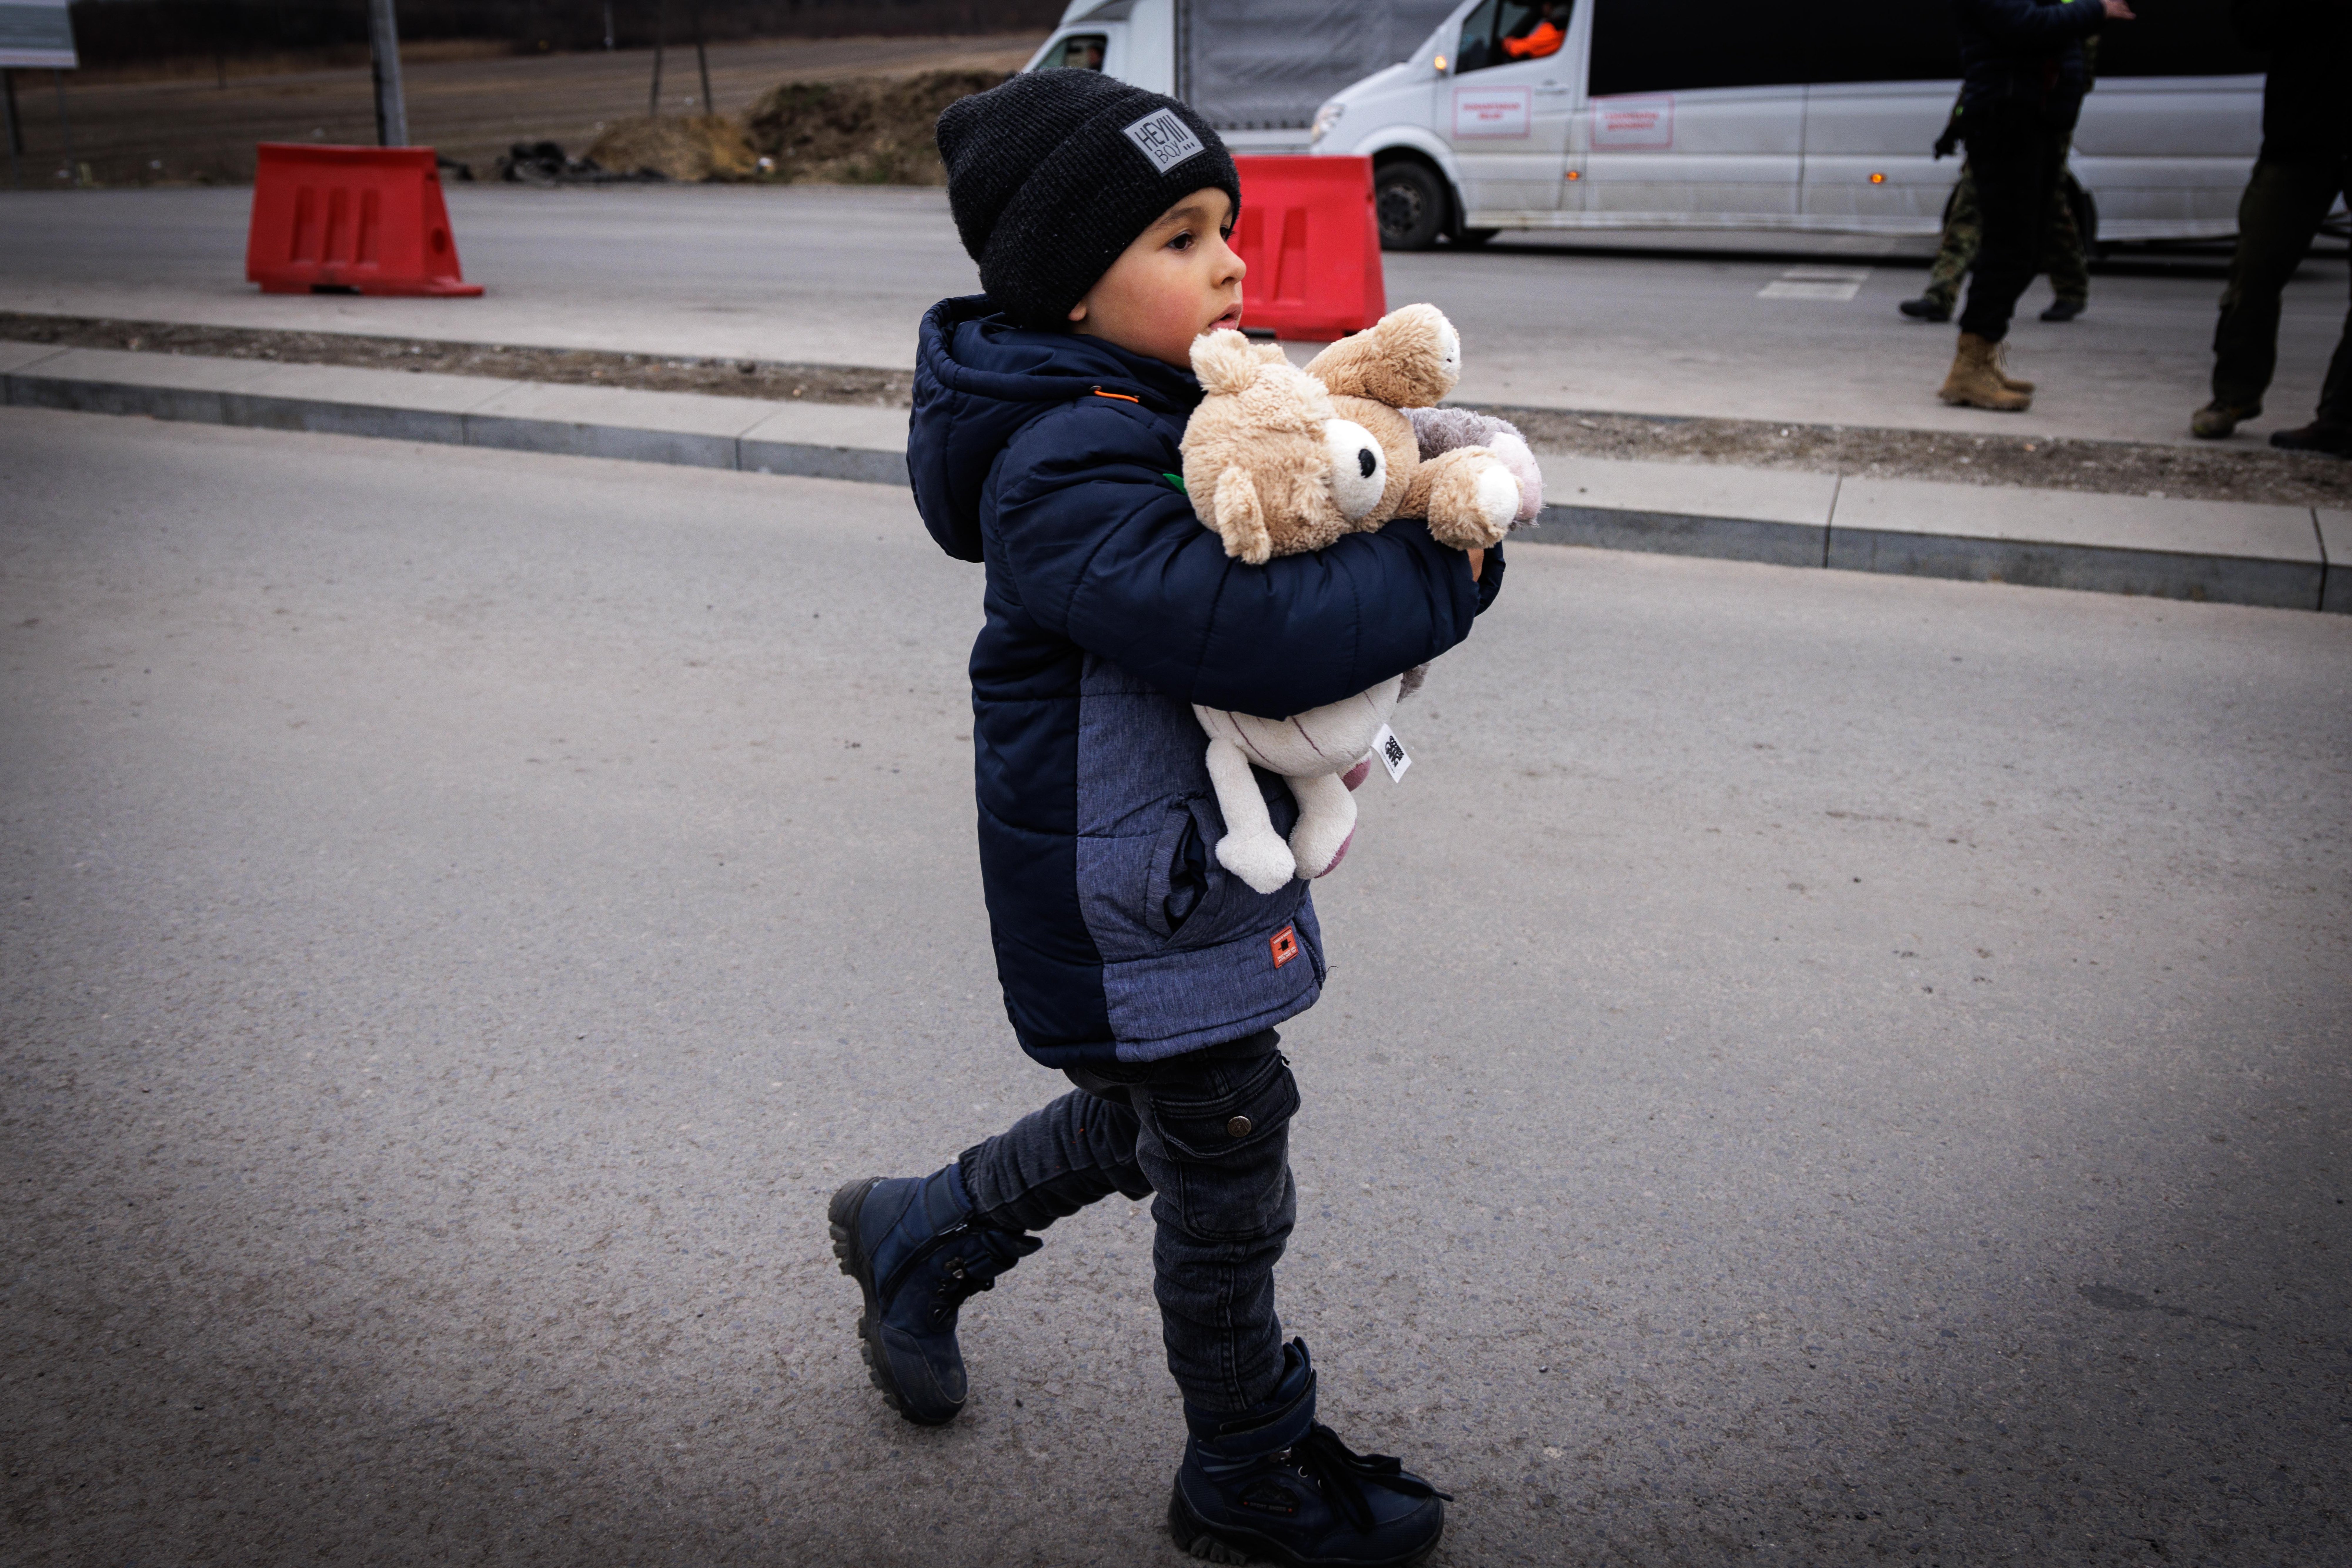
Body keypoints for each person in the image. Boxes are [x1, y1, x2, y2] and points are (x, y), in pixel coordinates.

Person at [832, 70, 1500, 1567]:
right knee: (1226, 1155)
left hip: (1175, 869)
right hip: (1127, 890)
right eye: (1181, 238)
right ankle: (1245, 1469)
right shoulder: (1062, 458)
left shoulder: (1152, 404)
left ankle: (921, 1233)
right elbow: (1251, 634)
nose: (1230, 265)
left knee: (1171, 1122)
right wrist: (1452, 565)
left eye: (1228, 228)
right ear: (1070, 288)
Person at [1937, 0, 2133, 411]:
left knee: (2022, 250)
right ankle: (1969, 371)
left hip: (2031, 119)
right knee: (2009, 250)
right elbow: (2024, 25)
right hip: (2008, 120)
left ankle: (1982, 363)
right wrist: (2096, 11)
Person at [2190, 0, 2352, 454]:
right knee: (2255, 268)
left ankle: (2340, 415)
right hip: (2300, 133)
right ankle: (2234, 396)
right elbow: (2252, 27)